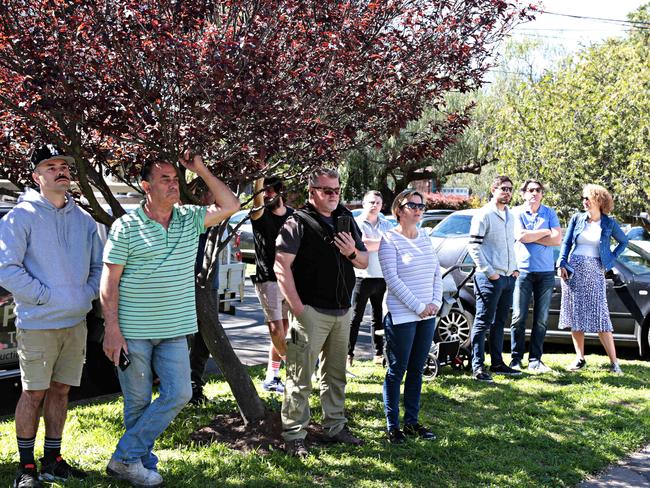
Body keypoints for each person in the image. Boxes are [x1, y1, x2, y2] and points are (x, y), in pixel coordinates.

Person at [101, 152, 240, 487]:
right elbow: (109, 281)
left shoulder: (189, 218)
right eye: (165, 179)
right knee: (137, 404)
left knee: (178, 393)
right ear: (146, 186)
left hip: (175, 329)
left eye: (175, 179)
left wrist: (202, 169)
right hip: (134, 331)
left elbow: (231, 206)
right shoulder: (126, 226)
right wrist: (112, 330)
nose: (173, 184)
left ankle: (124, 458)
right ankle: (138, 465)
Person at [0, 145, 102, 488]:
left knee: (61, 392)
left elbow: (98, 267)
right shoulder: (20, 217)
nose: (60, 171)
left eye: (64, 165)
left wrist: (85, 295)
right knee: (33, 394)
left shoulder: (84, 220)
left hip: (75, 323)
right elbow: (6, 269)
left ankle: (53, 461)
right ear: (36, 176)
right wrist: (45, 297)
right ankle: (26, 469)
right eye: (50, 166)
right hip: (39, 324)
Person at [274, 167, 368, 457]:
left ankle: (335, 427)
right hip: (311, 312)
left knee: (336, 375)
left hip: (342, 310)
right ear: (312, 192)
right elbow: (281, 266)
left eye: (337, 190)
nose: (333, 196)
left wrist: (351, 251)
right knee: (300, 377)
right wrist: (298, 309)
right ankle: (294, 436)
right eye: (327, 191)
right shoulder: (297, 221)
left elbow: (364, 262)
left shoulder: (346, 219)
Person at [378, 190, 443, 444]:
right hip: (402, 315)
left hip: (427, 314)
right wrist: (418, 306)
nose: (418, 209)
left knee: (417, 369)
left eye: (421, 206)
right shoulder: (388, 239)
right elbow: (392, 280)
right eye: (412, 205)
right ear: (398, 209)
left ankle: (412, 422)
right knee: (397, 370)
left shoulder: (426, 236)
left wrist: (435, 302)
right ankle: (393, 425)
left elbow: (436, 272)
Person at [557, 184, 628, 373]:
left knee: (600, 315)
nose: (584, 201)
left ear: (598, 200)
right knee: (575, 313)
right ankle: (579, 358)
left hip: (595, 270)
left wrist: (610, 259)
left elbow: (624, 241)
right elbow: (567, 241)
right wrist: (561, 263)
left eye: (588, 198)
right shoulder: (577, 218)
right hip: (573, 270)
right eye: (583, 198)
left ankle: (614, 362)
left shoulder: (609, 223)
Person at [467, 175, 521, 382]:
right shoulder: (484, 214)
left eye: (510, 189)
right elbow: (473, 246)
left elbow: (511, 245)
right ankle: (477, 367)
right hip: (489, 278)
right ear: (493, 190)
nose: (507, 192)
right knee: (482, 323)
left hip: (508, 277)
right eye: (503, 189)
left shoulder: (510, 215)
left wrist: (514, 269)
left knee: (500, 323)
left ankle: (497, 363)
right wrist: (490, 272)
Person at [509, 180, 562, 373]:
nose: (534, 193)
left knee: (541, 319)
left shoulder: (550, 213)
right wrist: (545, 232)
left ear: (541, 194)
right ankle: (516, 359)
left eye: (538, 190)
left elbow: (557, 239)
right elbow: (520, 236)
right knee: (518, 317)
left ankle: (535, 360)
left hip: (546, 272)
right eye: (530, 190)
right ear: (523, 193)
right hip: (522, 271)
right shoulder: (516, 212)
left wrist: (533, 235)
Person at [250, 176, 294, 393]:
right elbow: (257, 204)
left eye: (270, 191)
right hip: (268, 279)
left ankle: (271, 377)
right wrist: (258, 177)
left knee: (284, 332)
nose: (266, 195)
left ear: (280, 192)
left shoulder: (294, 216)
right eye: (263, 191)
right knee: (276, 331)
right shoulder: (259, 215)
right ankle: (295, 370)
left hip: (291, 279)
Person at [347, 190, 393, 367]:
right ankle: (348, 354)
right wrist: (380, 243)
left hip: (381, 277)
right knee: (355, 318)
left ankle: (378, 354)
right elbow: (362, 244)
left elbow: (392, 244)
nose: (374, 206)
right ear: (364, 203)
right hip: (361, 276)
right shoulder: (356, 223)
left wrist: (372, 243)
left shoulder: (387, 224)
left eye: (378, 203)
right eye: (371, 202)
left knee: (378, 317)